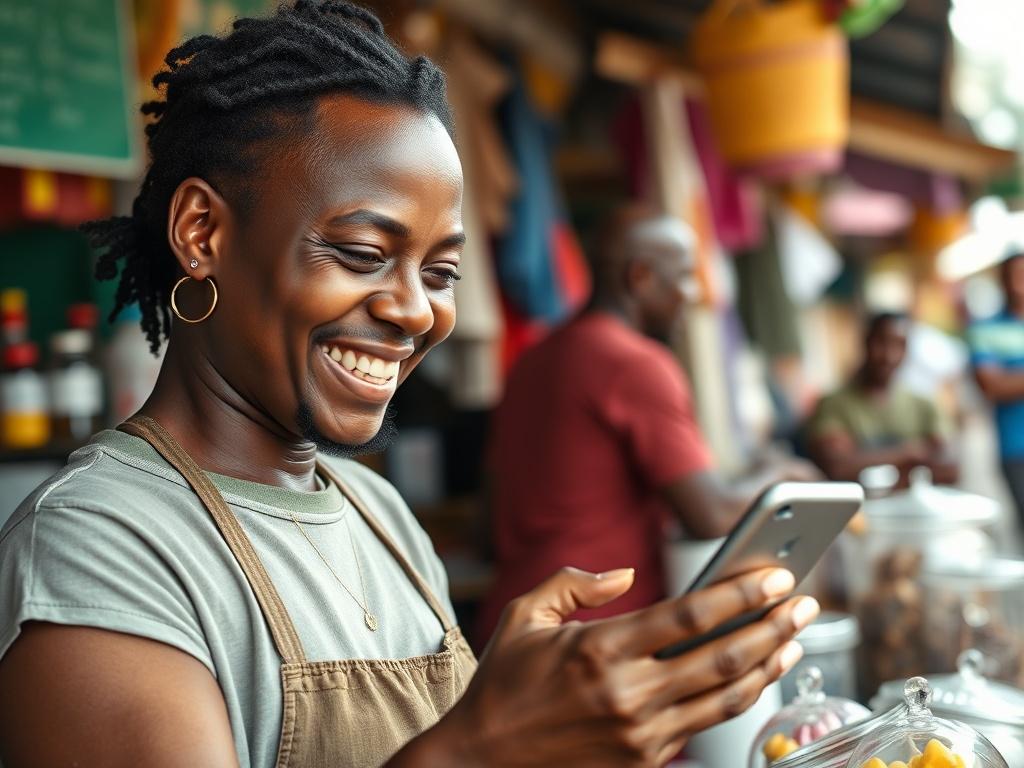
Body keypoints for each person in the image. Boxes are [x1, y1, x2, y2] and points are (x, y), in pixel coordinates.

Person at [0, 4, 820, 767]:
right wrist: (484, 746)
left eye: (441, 271)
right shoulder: (97, 544)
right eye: (362, 254)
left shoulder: (378, 512)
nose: (413, 310)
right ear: (202, 232)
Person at [477, 206, 818, 645]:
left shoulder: (533, 361)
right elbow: (710, 514)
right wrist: (785, 473)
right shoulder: (636, 363)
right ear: (640, 277)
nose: (694, 294)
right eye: (684, 275)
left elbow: (488, 525)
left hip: (509, 629)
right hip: (591, 637)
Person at [807, 312, 957, 486]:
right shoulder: (834, 404)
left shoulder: (924, 404)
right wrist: (909, 454)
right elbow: (838, 466)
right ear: (865, 343)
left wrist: (868, 463)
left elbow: (950, 468)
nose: (889, 356)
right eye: (881, 343)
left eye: (899, 345)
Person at [969, 252, 1024, 522]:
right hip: (1016, 448)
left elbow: (1001, 383)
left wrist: (1012, 379)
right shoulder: (984, 329)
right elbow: (991, 387)